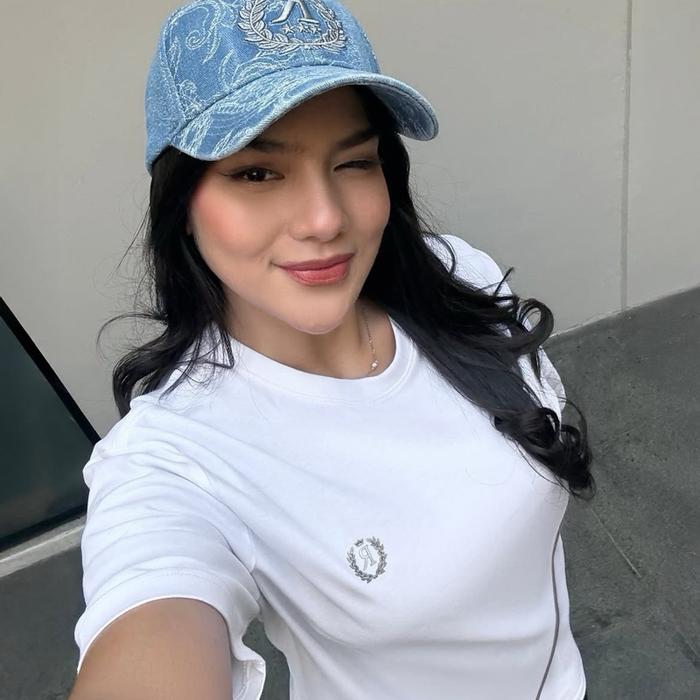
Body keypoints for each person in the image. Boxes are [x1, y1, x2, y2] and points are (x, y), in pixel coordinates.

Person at [69, 1, 595, 698]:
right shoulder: (176, 459)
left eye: (353, 161)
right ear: (182, 204)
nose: (325, 219)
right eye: (257, 173)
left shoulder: (458, 275)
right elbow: (154, 603)